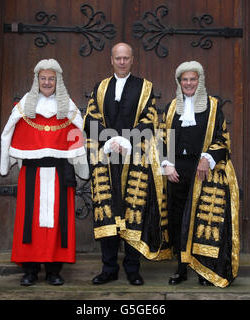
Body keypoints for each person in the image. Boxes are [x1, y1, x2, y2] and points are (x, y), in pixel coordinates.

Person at [83, 42, 171, 286]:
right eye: (118, 58)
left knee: (134, 213)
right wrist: (111, 139)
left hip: (134, 159)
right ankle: (108, 268)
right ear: (111, 60)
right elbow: (90, 118)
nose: (122, 62)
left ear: (132, 60)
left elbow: (150, 119)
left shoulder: (145, 87)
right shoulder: (100, 88)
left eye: (126, 58)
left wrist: (128, 140)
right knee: (107, 213)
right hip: (106, 159)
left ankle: (133, 269)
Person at [0, 59, 88, 286]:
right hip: (31, 174)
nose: (47, 82)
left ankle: (53, 271)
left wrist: (81, 166)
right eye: (43, 78)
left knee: (58, 222)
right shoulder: (24, 105)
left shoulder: (67, 105)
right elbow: (8, 132)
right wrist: (5, 162)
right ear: (36, 80)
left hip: (60, 173)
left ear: (57, 81)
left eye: (51, 78)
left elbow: (79, 134)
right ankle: (29, 271)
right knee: (29, 223)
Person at [161, 61, 240, 288]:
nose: (188, 83)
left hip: (202, 170)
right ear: (179, 82)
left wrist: (207, 158)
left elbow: (222, 139)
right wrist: (166, 165)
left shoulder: (213, 107)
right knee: (177, 220)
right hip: (177, 171)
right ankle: (181, 268)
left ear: (200, 81)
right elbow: (162, 140)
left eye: (192, 79)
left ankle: (203, 269)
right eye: (184, 80)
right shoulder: (170, 108)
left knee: (200, 220)